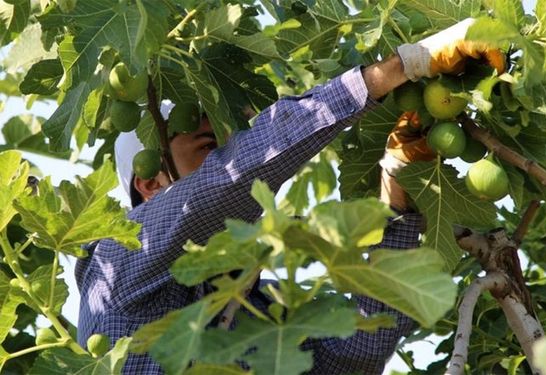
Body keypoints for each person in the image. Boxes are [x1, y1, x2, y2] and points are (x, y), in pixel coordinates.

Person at [75, 18, 504, 374]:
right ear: (149, 184)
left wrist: (394, 197)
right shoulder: (116, 261)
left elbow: (359, 352)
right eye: (207, 147)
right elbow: (226, 183)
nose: (227, 153)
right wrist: (398, 69)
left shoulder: (261, 310)